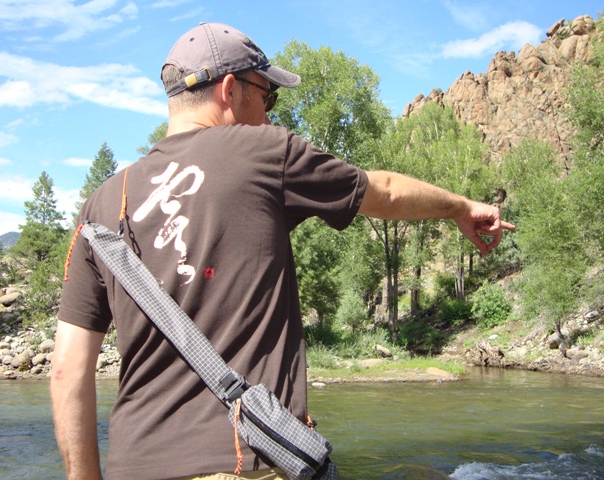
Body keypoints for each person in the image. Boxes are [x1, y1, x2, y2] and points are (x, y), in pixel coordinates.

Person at [51, 22, 515, 480]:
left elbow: (67, 370)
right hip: (246, 464)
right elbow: (386, 191)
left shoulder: (104, 203)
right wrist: (459, 207)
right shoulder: (266, 152)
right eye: (267, 95)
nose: (271, 113)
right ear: (230, 89)